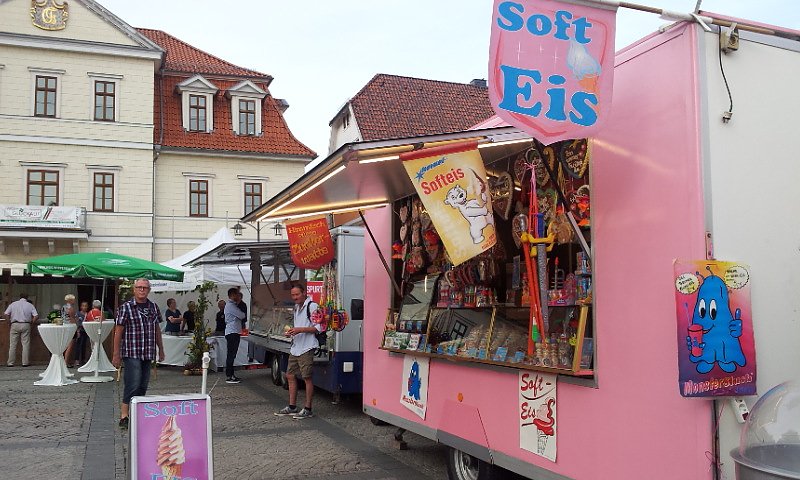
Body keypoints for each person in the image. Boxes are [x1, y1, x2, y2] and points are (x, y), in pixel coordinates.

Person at [112, 278, 165, 429]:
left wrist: (160, 349)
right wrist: (116, 354)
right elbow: (118, 332)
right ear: (134, 290)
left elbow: (157, 330)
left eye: (145, 288)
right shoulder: (126, 307)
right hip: (132, 351)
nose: (142, 290)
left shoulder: (153, 307)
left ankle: (138, 414)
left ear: (149, 290)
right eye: (139, 287)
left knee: (143, 384)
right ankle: (124, 415)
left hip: (147, 352)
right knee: (133, 383)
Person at [274, 283, 320, 419]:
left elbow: (319, 328)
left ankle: (308, 408)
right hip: (296, 346)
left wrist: (300, 330)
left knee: (307, 377)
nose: (295, 297)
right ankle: (292, 406)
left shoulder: (312, 306)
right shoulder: (296, 307)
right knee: (289, 375)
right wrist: (292, 332)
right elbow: (299, 326)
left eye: (297, 294)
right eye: (293, 295)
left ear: (304, 293)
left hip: (307, 346)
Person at [3, 293, 39, 367]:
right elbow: (36, 316)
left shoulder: (13, 304)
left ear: (20, 297)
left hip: (15, 324)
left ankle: (10, 362)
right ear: (27, 297)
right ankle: (25, 363)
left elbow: (6, 314)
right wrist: (32, 323)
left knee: (13, 344)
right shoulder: (30, 305)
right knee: (25, 344)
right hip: (26, 324)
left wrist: (9, 322)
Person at [224, 287, 245, 384]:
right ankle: (229, 376)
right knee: (231, 354)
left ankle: (231, 374)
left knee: (232, 354)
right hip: (232, 332)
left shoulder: (232, 305)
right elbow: (242, 315)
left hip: (233, 331)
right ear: (232, 295)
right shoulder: (231, 306)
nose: (238, 296)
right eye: (237, 294)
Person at [71, 301, 90, 368]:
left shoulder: (88, 314)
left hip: (85, 331)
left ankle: (83, 359)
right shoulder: (78, 314)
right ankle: (77, 359)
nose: (84, 307)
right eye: (83, 306)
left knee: (84, 345)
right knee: (78, 345)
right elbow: (76, 322)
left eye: (86, 306)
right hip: (79, 331)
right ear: (81, 307)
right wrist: (77, 331)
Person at [62, 294, 77, 367]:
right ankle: (66, 362)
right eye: (73, 299)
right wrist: (76, 328)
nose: (74, 301)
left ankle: (64, 361)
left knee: (65, 344)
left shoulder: (64, 307)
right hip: (70, 327)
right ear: (70, 300)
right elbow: (72, 318)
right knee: (70, 345)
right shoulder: (71, 308)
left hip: (64, 325)